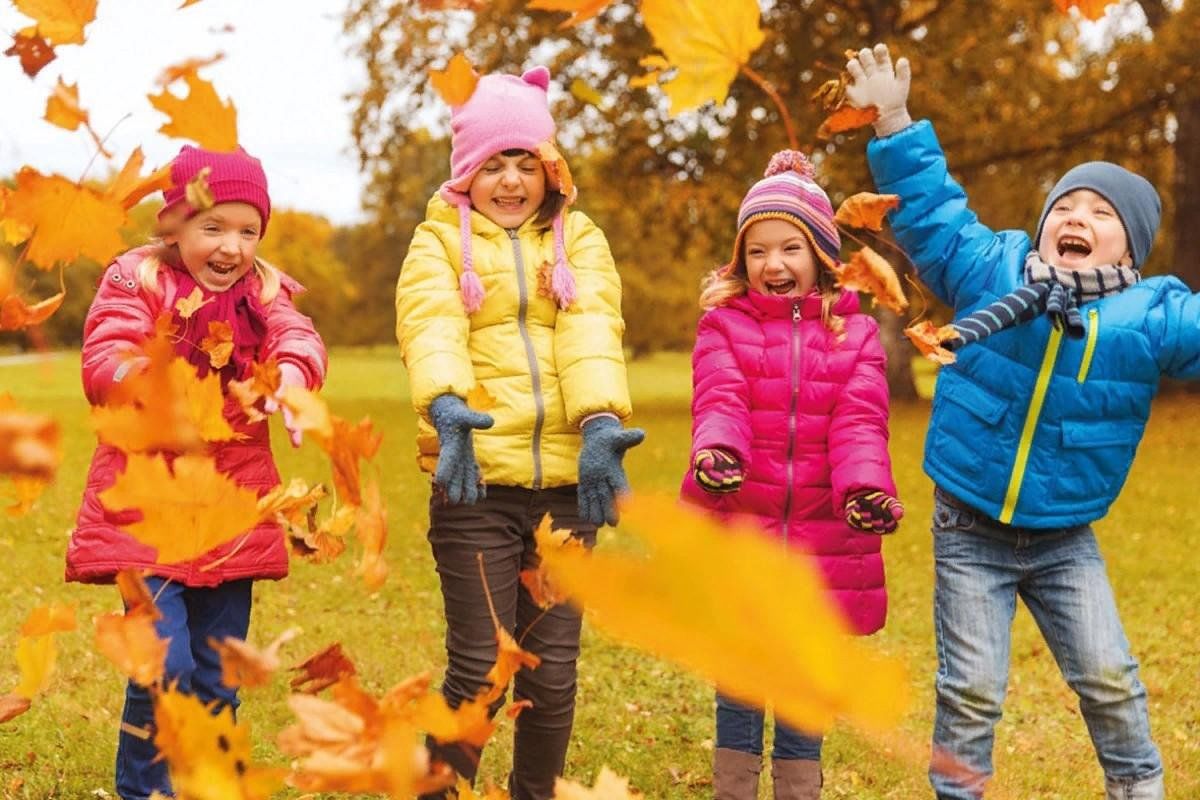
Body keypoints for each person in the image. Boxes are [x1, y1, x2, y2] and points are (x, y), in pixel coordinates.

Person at [845, 43, 1195, 800]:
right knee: (970, 691)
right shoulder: (995, 270)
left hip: (1066, 536)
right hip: (969, 527)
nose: (1077, 217)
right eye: (1064, 207)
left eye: (1100, 214)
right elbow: (936, 219)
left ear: (1130, 246)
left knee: (1109, 679)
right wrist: (895, 121)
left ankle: (1139, 788)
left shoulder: (1150, 314)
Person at [395, 65, 642, 799]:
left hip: (566, 492)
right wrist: (446, 405)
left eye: (525, 162)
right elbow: (430, 323)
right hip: (474, 486)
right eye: (492, 164)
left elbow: (592, 328)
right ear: (464, 171)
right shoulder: (439, 241)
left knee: (551, 673)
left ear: (550, 167)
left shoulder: (580, 241)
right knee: (479, 668)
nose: (510, 181)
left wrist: (600, 424)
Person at [64, 145, 327, 800]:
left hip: (231, 512)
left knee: (216, 670)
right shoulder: (137, 280)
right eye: (213, 227)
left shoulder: (264, 292)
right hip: (146, 506)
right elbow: (107, 349)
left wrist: (292, 377)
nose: (231, 247)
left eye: (247, 230)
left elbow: (297, 335)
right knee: (165, 661)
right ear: (174, 226)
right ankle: (147, 790)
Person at [681, 149, 902, 800]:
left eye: (790, 248)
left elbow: (860, 420)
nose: (773, 264)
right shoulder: (724, 326)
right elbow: (719, 398)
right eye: (757, 251)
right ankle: (734, 790)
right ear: (740, 260)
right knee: (743, 683)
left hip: (820, 542)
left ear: (822, 257)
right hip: (742, 536)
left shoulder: (855, 336)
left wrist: (865, 488)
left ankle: (799, 791)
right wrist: (718, 453)